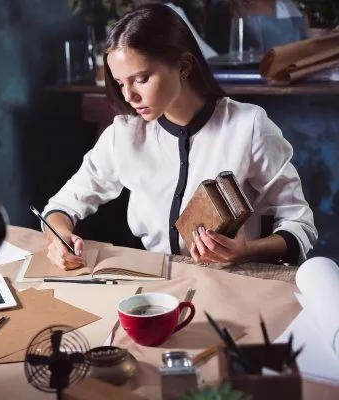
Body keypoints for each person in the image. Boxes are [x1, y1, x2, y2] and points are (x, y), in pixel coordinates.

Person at [40, 3, 317, 270]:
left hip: (232, 280)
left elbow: (299, 223)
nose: (128, 96)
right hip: (156, 282)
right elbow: (61, 206)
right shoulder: (123, 135)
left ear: (184, 66)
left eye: (141, 78)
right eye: (120, 83)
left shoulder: (247, 125)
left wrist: (246, 252)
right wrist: (59, 237)